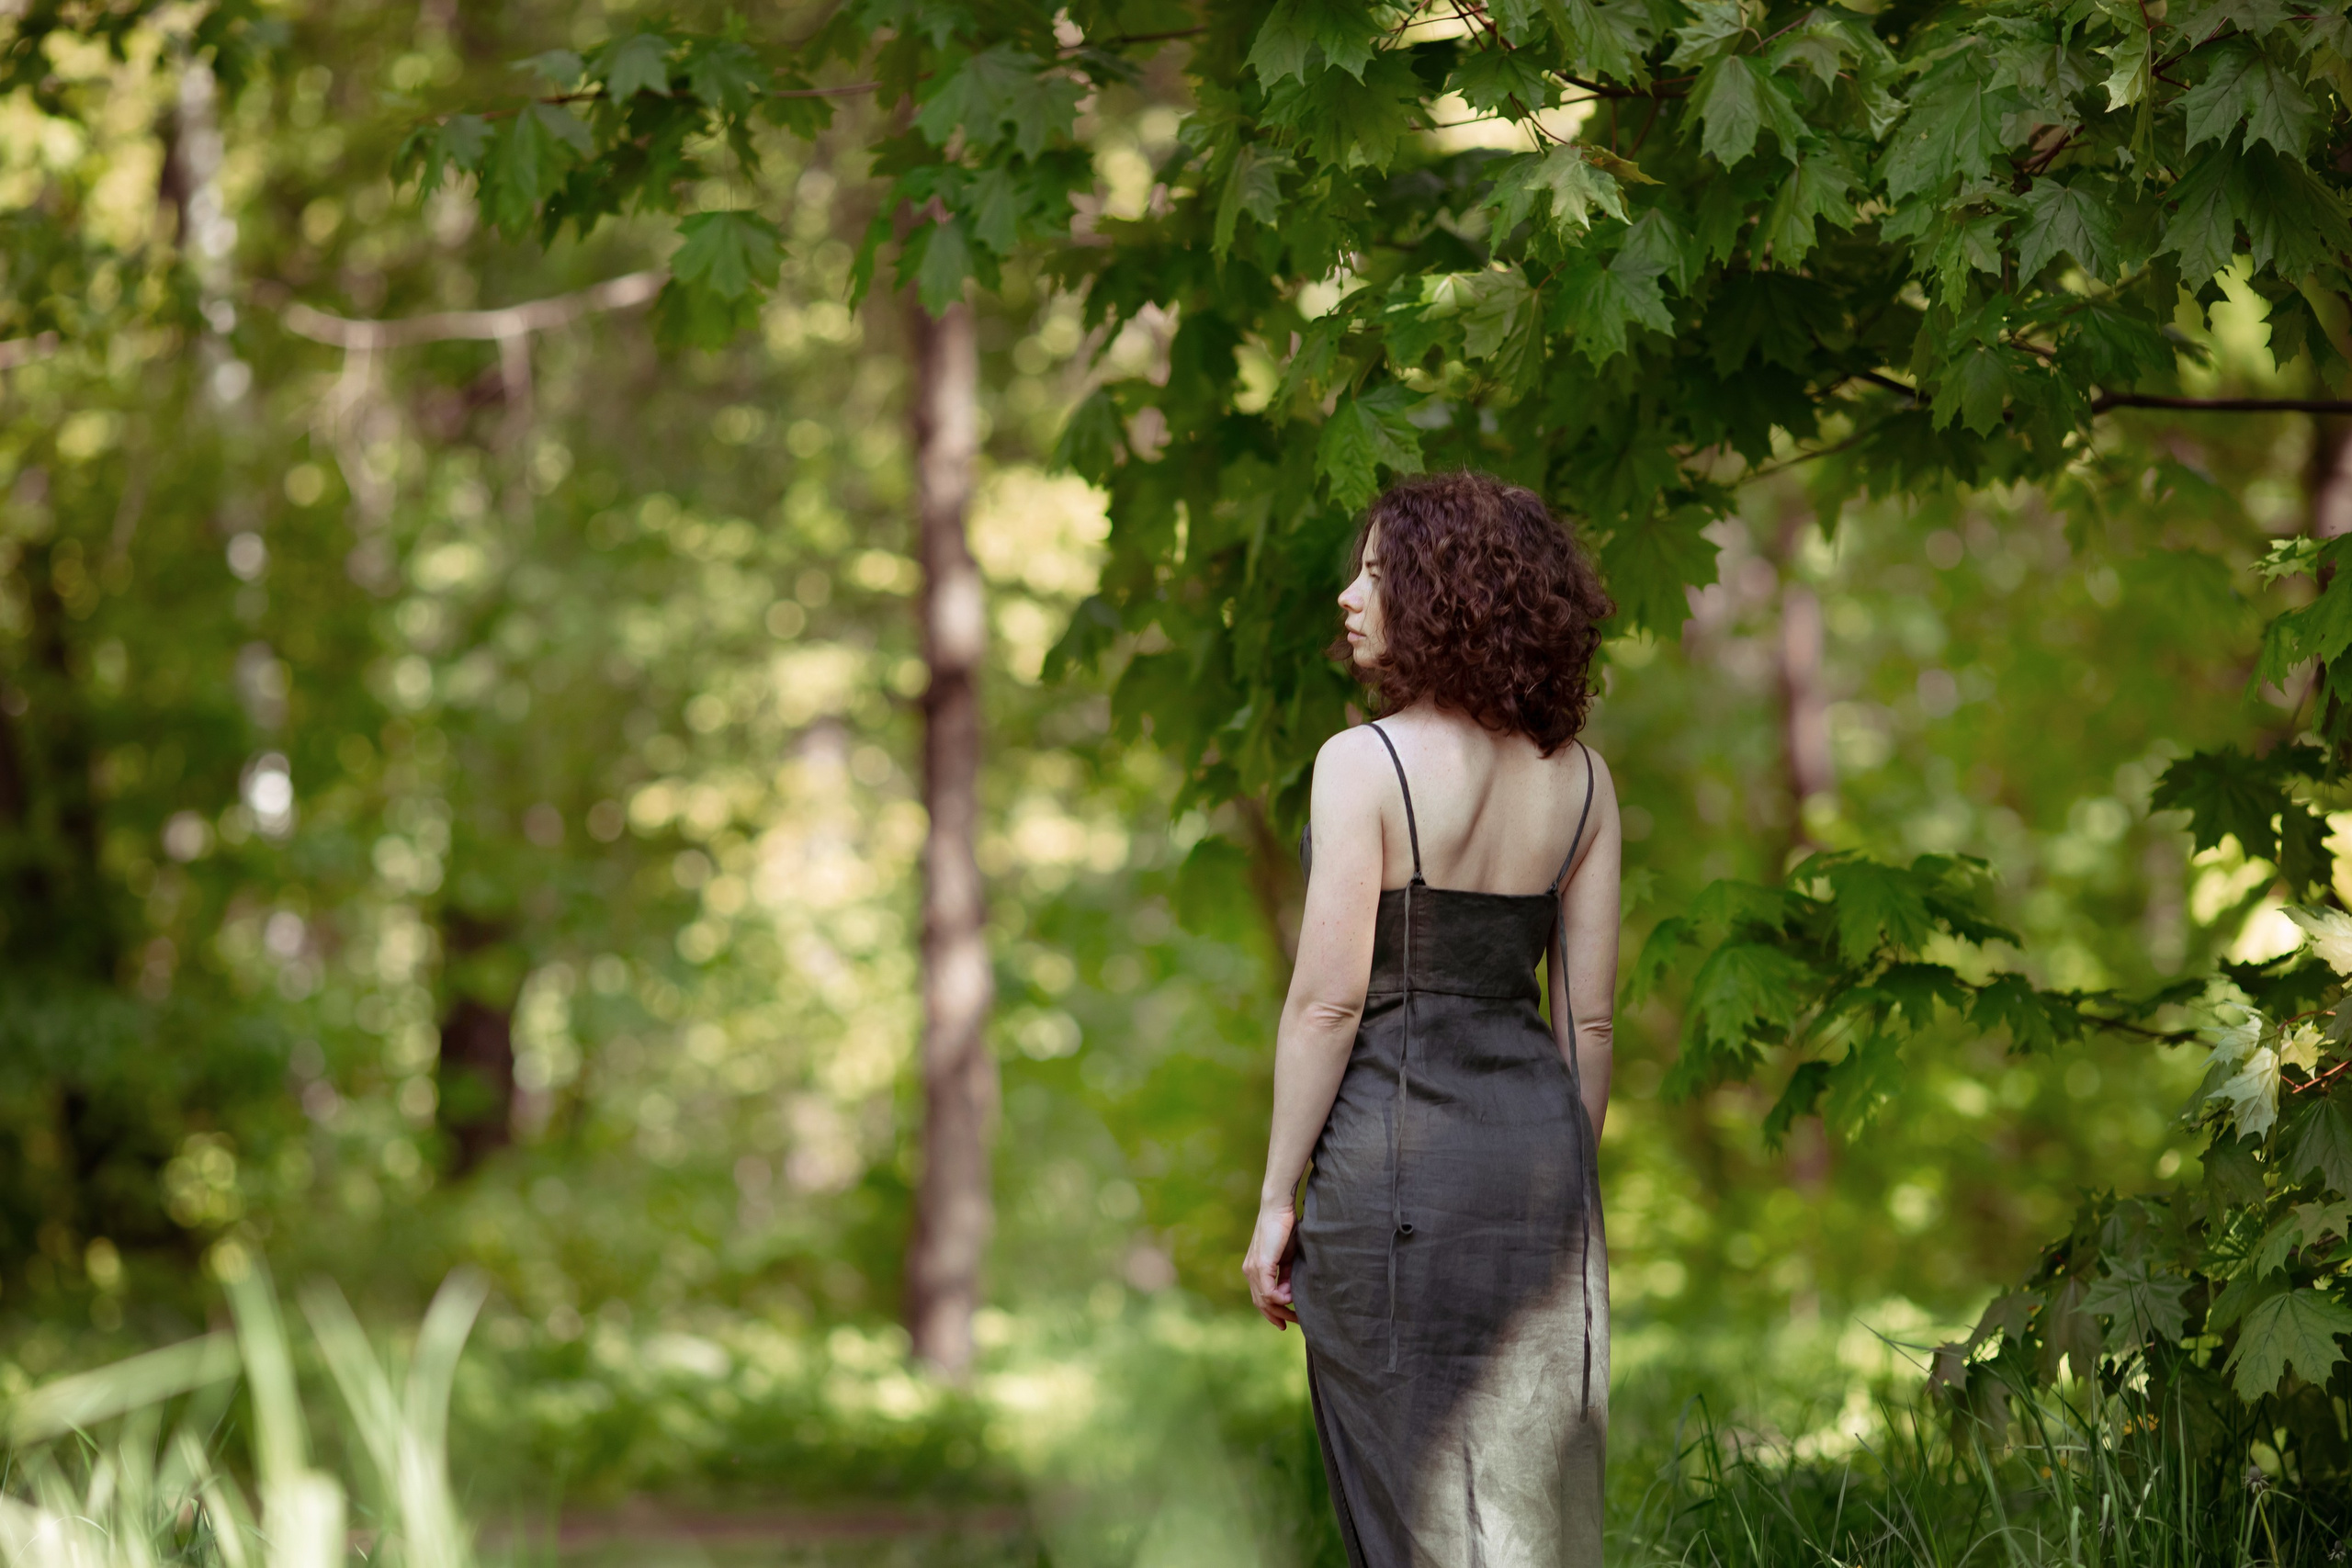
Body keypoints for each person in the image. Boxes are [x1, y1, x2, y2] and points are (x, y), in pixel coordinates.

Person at [1241, 470, 1623, 1567]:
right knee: (1533, 1506)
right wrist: (1564, 1190)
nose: (1350, 597)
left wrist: (1277, 1200)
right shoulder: (1587, 784)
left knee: (1408, 1504)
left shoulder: (1360, 763)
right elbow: (1587, 1026)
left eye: (1376, 571)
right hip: (1540, 1169)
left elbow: (1326, 1001)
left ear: (1442, 590)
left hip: (1392, 1170)